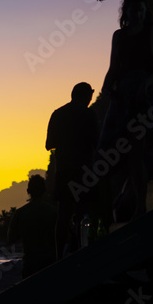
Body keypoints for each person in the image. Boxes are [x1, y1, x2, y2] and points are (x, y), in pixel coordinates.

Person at [98, 0, 153, 221]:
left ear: (145, 11)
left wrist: (146, 84)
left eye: (141, 10)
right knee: (124, 153)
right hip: (123, 98)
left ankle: (139, 203)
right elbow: (113, 68)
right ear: (126, 11)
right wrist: (106, 87)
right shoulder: (118, 36)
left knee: (142, 150)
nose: (137, 14)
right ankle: (131, 203)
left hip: (146, 97)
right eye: (134, 10)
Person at [45, 82, 98, 258]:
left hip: (64, 171)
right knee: (83, 212)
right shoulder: (89, 114)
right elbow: (97, 143)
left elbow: (48, 145)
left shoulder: (58, 114)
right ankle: (82, 250)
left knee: (64, 214)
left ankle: (59, 255)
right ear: (87, 96)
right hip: (84, 170)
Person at [8, 174, 58, 279]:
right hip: (50, 263)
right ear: (44, 190)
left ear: (28, 191)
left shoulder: (20, 213)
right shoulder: (53, 212)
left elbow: (11, 239)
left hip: (30, 264)